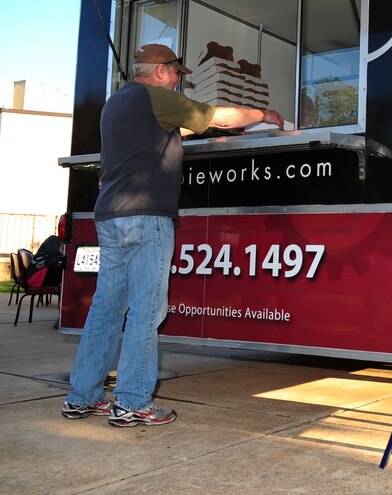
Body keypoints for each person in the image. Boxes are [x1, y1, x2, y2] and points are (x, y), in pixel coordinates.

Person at [62, 43, 284, 427]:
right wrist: (263, 114)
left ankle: (83, 395)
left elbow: (176, 126)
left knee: (107, 309)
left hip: (110, 215)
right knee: (148, 309)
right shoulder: (155, 97)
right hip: (146, 216)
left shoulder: (117, 103)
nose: (180, 80)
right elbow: (219, 117)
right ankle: (132, 401)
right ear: (161, 71)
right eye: (178, 73)